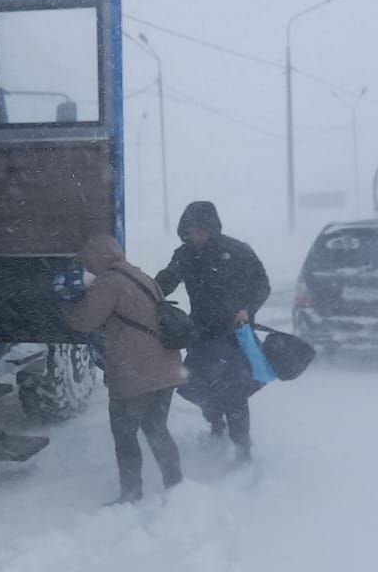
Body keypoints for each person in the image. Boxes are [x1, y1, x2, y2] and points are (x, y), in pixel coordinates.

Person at [58, 235, 185, 504]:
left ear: (96, 257)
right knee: (156, 428)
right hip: (167, 367)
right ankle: (176, 486)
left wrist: (67, 301)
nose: (88, 268)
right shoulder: (141, 276)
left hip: (135, 372)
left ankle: (131, 493)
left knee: (124, 434)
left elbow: (84, 320)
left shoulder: (109, 282)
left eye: (88, 262)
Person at [155, 202, 270, 461]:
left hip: (236, 334)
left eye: (201, 231)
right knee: (200, 384)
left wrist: (247, 309)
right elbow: (166, 281)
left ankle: (243, 449)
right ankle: (216, 423)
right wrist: (144, 293)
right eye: (190, 231)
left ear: (213, 229)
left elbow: (262, 284)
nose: (196, 236)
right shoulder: (184, 255)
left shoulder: (237, 251)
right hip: (202, 334)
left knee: (236, 390)